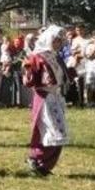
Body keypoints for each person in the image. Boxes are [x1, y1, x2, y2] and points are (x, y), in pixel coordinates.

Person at [22, 26, 70, 176]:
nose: (58, 43)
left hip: (56, 97)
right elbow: (30, 82)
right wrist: (28, 70)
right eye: (55, 40)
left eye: (60, 41)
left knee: (60, 134)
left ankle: (44, 166)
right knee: (54, 132)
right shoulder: (37, 57)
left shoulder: (56, 57)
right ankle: (35, 158)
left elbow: (64, 77)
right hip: (45, 98)